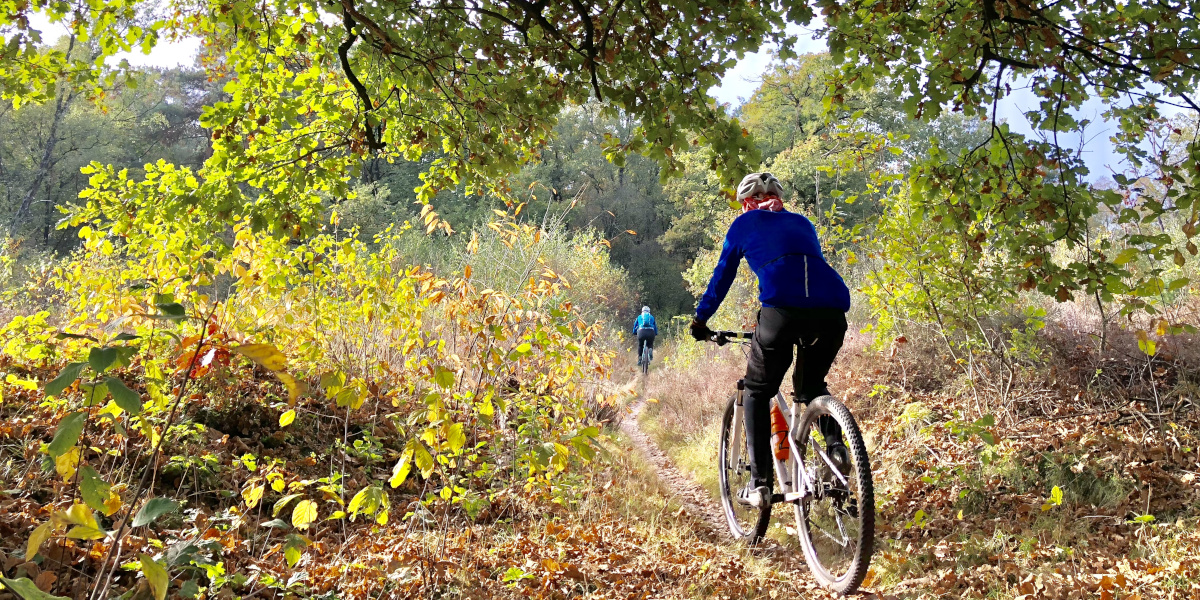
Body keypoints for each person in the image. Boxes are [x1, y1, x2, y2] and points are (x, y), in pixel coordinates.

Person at [689, 172, 851, 508]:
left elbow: (722, 277)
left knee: (757, 391)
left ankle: (759, 483)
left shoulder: (744, 224)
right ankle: (836, 447)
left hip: (781, 312)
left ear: (746, 203)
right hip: (832, 312)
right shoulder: (803, 223)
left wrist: (700, 320)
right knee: (811, 386)